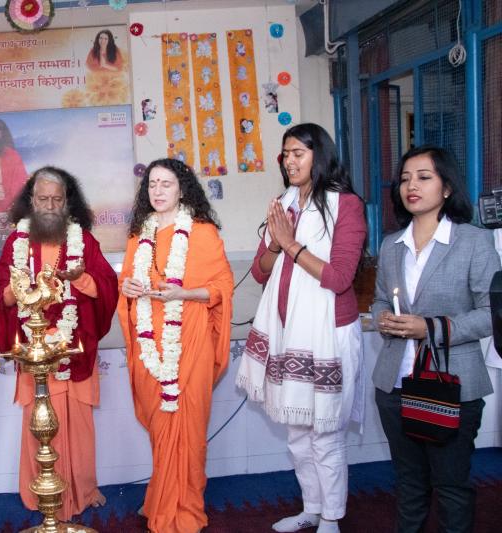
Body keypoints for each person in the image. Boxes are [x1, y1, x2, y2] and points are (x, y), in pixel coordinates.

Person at [236, 123, 366, 533]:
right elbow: (260, 271)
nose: (290, 161)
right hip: (286, 334)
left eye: (299, 153)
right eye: (286, 154)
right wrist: (277, 243)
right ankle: (311, 507)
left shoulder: (346, 205)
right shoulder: (285, 204)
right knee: (296, 433)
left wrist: (291, 244)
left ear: (319, 155)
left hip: (330, 333)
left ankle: (332, 517)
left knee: (325, 434)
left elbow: (340, 278)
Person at [372, 145, 496, 533]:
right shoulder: (391, 245)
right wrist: (382, 319)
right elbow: (380, 299)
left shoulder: (473, 241)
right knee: (409, 484)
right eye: (405, 178)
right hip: (395, 384)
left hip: (452, 385)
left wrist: (430, 328)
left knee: (450, 486)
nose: (412, 186)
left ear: (447, 187)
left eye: (424, 177)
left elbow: (491, 314)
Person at [0, 167, 118, 520]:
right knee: (39, 423)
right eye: (43, 199)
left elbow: (107, 286)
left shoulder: (83, 241)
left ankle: (82, 491)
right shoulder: (16, 243)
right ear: (31, 201)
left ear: (67, 202)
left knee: (78, 426)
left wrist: (82, 278)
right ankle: (41, 495)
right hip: (35, 352)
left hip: (71, 348)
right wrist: (15, 290)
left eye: (56, 199)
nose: (49, 206)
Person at [118, 158, 234, 533]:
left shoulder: (202, 233)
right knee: (160, 426)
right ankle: (163, 498)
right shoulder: (138, 235)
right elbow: (127, 283)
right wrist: (128, 288)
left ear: (182, 189)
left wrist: (184, 293)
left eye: (166, 184)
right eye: (152, 184)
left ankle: (184, 509)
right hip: (150, 342)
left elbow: (221, 288)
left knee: (189, 426)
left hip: (191, 340)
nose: (158, 190)